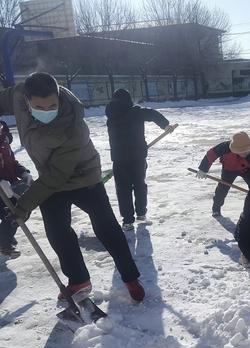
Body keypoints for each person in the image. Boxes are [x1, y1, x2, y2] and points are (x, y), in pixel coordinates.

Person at [0, 72, 145, 302]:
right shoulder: (19, 95)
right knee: (57, 231)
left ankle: (130, 277)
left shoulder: (72, 127)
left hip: (83, 177)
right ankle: (78, 280)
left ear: (58, 97)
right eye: (39, 106)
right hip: (50, 177)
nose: (47, 111)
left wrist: (23, 205)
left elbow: (55, 178)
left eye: (52, 106)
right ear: (27, 100)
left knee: (106, 227)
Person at [106, 88, 174, 230]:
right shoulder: (136, 112)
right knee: (139, 185)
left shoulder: (110, 115)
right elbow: (152, 113)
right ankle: (141, 214)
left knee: (123, 189)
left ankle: (127, 221)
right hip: (137, 157)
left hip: (119, 158)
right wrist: (165, 124)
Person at [197, 131, 250, 217]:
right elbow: (210, 155)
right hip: (229, 169)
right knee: (222, 189)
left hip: (245, 170)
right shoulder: (224, 147)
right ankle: (216, 208)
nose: (246, 153)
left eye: (247, 150)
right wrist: (203, 169)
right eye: (243, 151)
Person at [0, 121, 32, 258]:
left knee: (19, 211)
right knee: (13, 213)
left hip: (9, 185)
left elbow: (11, 162)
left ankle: (4, 237)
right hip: (2, 187)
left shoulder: (3, 135)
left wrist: (23, 173)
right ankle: (4, 244)